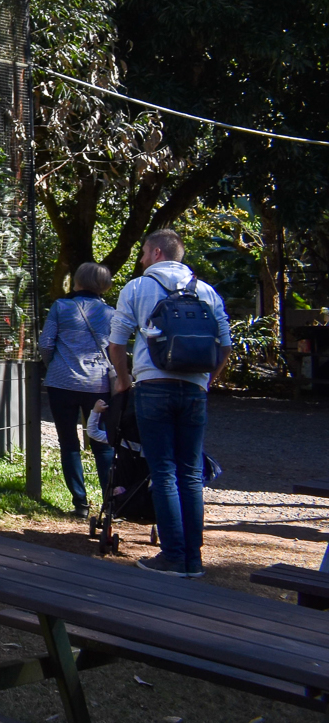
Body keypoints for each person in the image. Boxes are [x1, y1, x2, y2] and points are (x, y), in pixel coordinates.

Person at [107, 228, 232, 577]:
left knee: (162, 471)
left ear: (158, 253)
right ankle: (194, 558)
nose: (142, 259)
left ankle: (173, 556)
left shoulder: (137, 288)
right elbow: (225, 343)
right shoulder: (206, 291)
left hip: (154, 387)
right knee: (190, 473)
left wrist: (124, 377)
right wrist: (207, 379)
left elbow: (117, 342)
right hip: (193, 390)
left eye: (145, 253)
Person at [36, 262, 116, 518]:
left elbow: (45, 344)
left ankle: (80, 504)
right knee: (103, 444)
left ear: (78, 281)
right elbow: (116, 349)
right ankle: (111, 502)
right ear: (103, 285)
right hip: (99, 385)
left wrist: (56, 366)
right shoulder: (111, 314)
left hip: (62, 383)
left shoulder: (61, 307)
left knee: (68, 442)